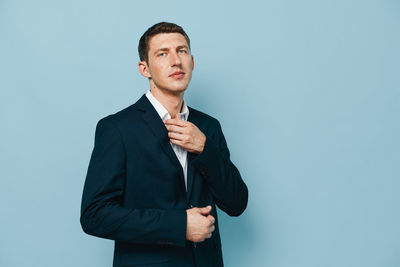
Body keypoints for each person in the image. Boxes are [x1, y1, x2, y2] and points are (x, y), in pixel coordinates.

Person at [80, 22, 248, 267]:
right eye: (162, 53)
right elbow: (95, 215)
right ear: (144, 68)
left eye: (182, 51)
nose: (176, 61)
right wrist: (180, 225)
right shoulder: (117, 129)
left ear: (192, 61)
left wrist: (204, 149)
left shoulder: (208, 127)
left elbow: (236, 203)